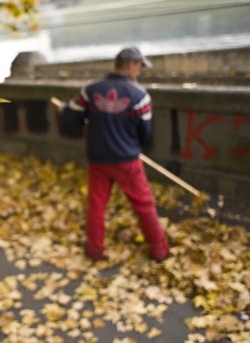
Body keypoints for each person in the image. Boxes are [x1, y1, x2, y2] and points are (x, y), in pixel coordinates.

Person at [57, 46, 169, 262]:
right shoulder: (140, 96)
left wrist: (65, 109)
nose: (140, 71)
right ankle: (159, 251)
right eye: (139, 66)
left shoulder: (90, 90)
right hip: (127, 161)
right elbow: (145, 134)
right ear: (129, 65)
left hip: (98, 159)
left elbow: (70, 119)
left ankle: (95, 250)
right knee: (143, 204)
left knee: (96, 205)